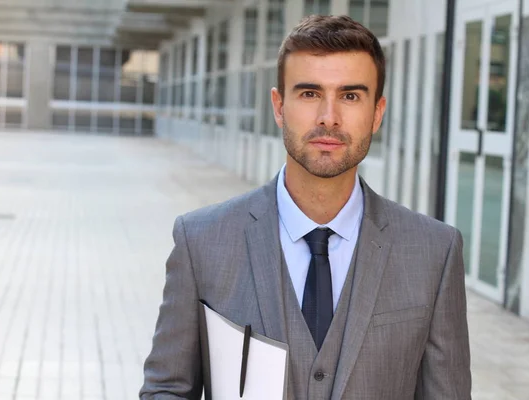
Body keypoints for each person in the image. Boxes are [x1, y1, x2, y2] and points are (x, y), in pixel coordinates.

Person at [140, 15, 471, 399]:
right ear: (279, 107)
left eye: (350, 96)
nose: (328, 117)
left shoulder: (434, 252)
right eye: (310, 93)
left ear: (377, 113)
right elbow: (166, 389)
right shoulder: (201, 241)